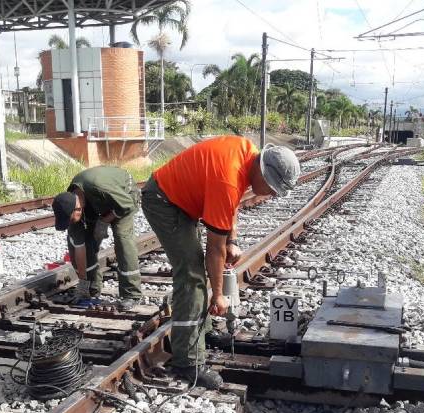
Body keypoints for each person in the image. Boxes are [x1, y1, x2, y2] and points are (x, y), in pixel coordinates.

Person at [142, 135, 301, 390]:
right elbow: (214, 250)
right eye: (272, 188)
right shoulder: (227, 177)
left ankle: (200, 333)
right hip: (164, 202)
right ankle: (187, 361)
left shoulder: (246, 152)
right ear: (262, 172)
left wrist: (233, 240)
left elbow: (232, 203)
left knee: (199, 270)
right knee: (192, 275)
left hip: (178, 199)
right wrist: (218, 295)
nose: (270, 195)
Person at [51, 166, 143, 311]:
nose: (71, 224)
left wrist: (105, 221)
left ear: (78, 209)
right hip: (97, 203)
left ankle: (131, 294)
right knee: (78, 241)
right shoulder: (71, 203)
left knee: (122, 239)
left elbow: (127, 204)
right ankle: (92, 289)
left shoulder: (98, 186)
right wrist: (82, 283)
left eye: (70, 220)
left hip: (124, 197)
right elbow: (80, 248)